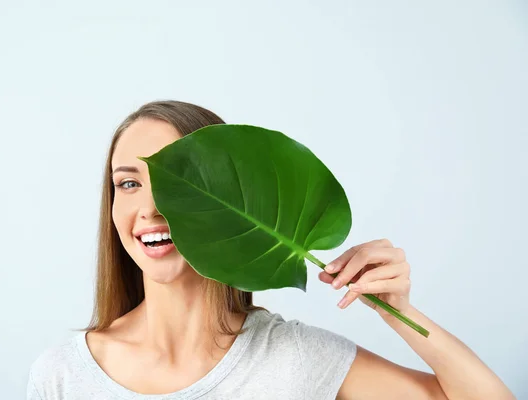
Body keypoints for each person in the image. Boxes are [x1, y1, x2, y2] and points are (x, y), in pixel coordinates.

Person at [27, 100, 514, 400]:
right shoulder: (63, 375)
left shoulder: (294, 358)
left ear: (232, 202)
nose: (151, 209)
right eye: (128, 183)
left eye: (180, 185)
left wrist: (401, 314)